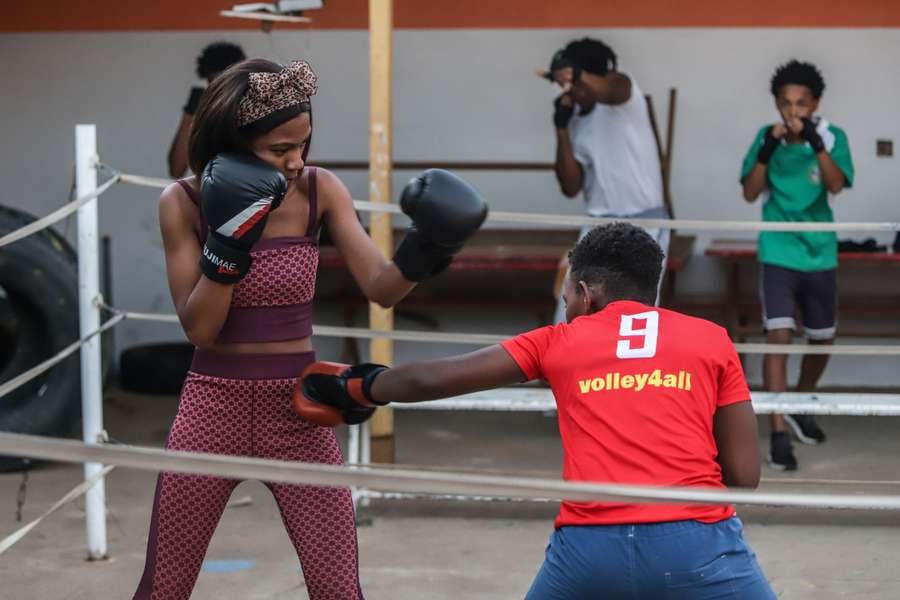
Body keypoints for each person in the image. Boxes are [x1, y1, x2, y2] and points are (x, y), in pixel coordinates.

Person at [134, 58, 487, 600]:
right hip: (210, 408)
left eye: (304, 145)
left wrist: (430, 246)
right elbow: (201, 330)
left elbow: (382, 288)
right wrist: (230, 241)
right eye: (280, 150)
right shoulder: (182, 202)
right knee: (163, 590)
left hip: (298, 409)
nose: (297, 161)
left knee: (339, 591)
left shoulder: (322, 191)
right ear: (233, 144)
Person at [296, 223, 775, 599]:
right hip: (699, 544)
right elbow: (744, 474)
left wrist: (355, 387)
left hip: (589, 551)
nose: (565, 305)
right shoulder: (710, 338)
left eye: (565, 295)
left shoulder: (558, 340)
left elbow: (433, 377)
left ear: (587, 294)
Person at [740, 60, 854, 471]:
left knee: (822, 339)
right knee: (779, 335)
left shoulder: (831, 136)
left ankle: (799, 401)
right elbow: (750, 193)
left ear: (815, 103)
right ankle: (779, 434)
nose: (793, 111)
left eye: (800, 103)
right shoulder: (763, 138)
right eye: (786, 103)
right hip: (778, 251)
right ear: (776, 104)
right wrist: (769, 150)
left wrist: (814, 144)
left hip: (819, 251)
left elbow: (836, 184)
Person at [543, 38, 669, 321]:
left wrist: (574, 74)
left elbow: (611, 87)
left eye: (574, 81)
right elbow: (570, 186)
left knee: (633, 319)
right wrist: (561, 128)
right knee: (572, 317)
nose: (572, 91)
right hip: (596, 226)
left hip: (643, 224)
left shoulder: (624, 96)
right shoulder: (576, 118)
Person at [167, 41, 246, 179]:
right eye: (215, 83)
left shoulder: (259, 109)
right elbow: (176, 170)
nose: (222, 90)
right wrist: (190, 112)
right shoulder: (207, 117)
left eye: (227, 82)